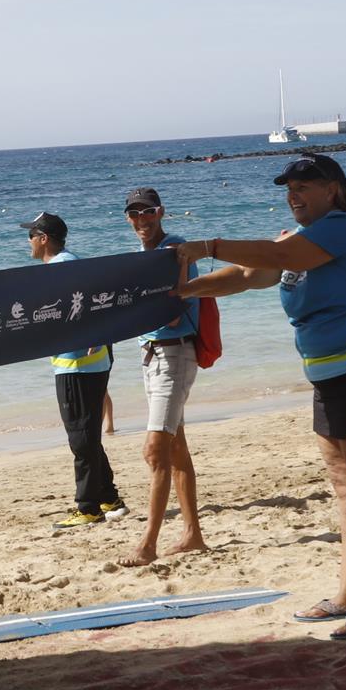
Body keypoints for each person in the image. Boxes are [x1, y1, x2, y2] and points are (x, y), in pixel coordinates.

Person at [178, 153, 346, 640]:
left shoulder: (341, 227)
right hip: (330, 378)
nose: (293, 192)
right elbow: (250, 275)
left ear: (332, 189)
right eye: (287, 185)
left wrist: (205, 245)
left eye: (304, 184)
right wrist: (182, 291)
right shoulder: (297, 241)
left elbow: (281, 258)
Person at [116, 186, 209, 566]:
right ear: (128, 218)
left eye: (148, 211)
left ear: (161, 212)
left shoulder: (176, 250)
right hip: (150, 356)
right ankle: (192, 535)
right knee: (175, 448)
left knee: (155, 451)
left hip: (175, 354)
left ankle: (148, 544)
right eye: (135, 213)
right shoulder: (142, 257)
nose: (142, 219)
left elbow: (174, 307)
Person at [23, 211, 126, 529]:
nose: (28, 242)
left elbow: (94, 301)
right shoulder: (71, 261)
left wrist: (95, 334)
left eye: (31, 236)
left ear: (43, 239)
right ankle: (109, 498)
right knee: (88, 435)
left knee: (81, 439)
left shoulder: (61, 266)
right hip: (88, 362)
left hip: (77, 365)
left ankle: (88, 508)